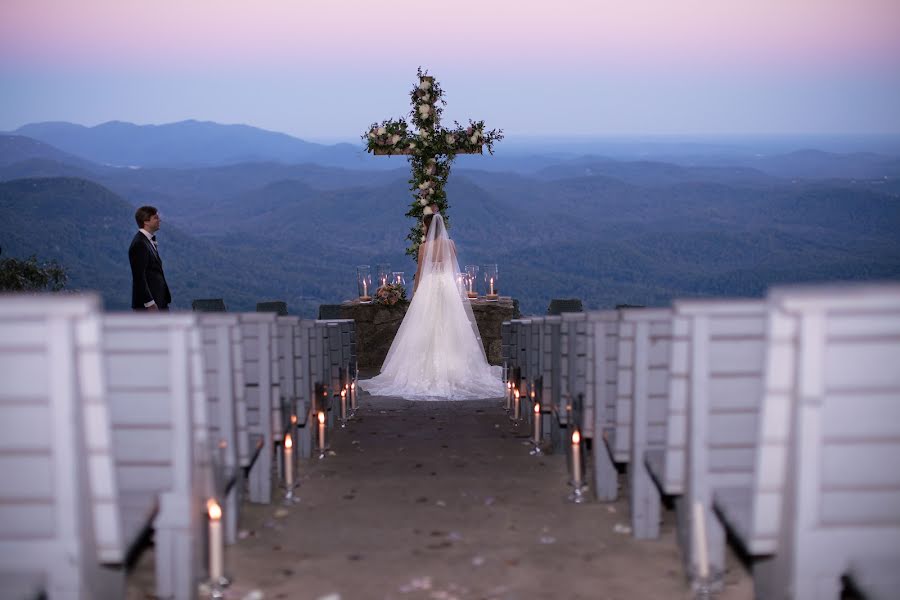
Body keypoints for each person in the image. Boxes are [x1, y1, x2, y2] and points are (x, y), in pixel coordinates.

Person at [359, 209, 504, 400]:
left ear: (428, 227)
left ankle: (423, 370)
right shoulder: (450, 244)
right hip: (447, 287)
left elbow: (420, 272)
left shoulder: (423, 247)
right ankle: (456, 367)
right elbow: (453, 267)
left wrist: (416, 292)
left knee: (424, 325)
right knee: (451, 326)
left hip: (430, 286)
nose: (422, 228)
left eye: (423, 225)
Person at [129, 205, 171, 311]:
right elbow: (139, 277)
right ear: (146, 221)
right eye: (155, 218)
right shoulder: (139, 243)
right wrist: (149, 303)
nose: (159, 220)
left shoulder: (146, 241)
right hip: (149, 307)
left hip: (159, 302)